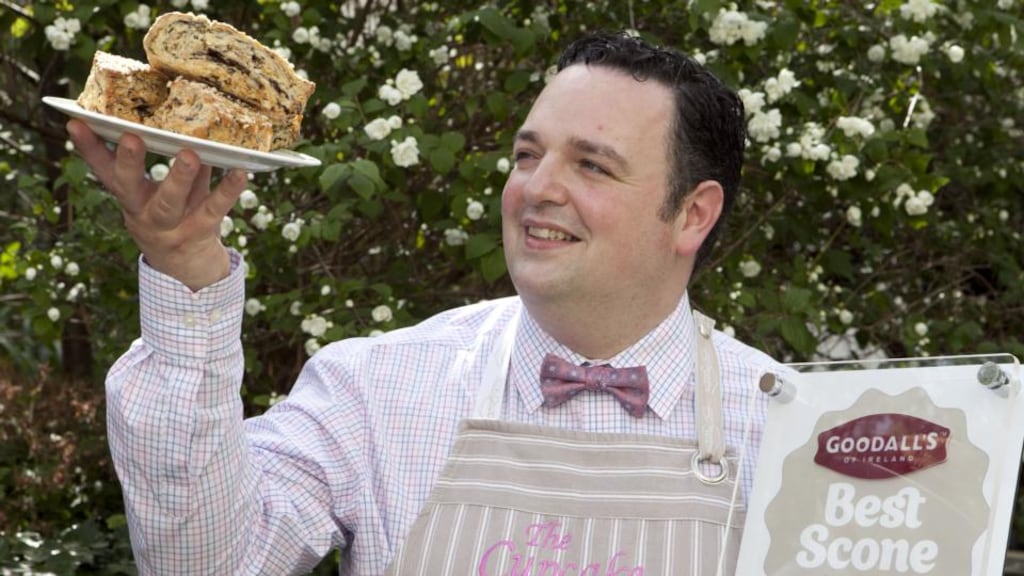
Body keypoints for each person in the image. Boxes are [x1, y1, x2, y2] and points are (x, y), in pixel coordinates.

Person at [67, 31, 789, 575]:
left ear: (692, 215)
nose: (537, 189)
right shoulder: (375, 388)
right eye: (528, 155)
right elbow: (203, 563)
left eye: (592, 165)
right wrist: (186, 271)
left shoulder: (791, 429)